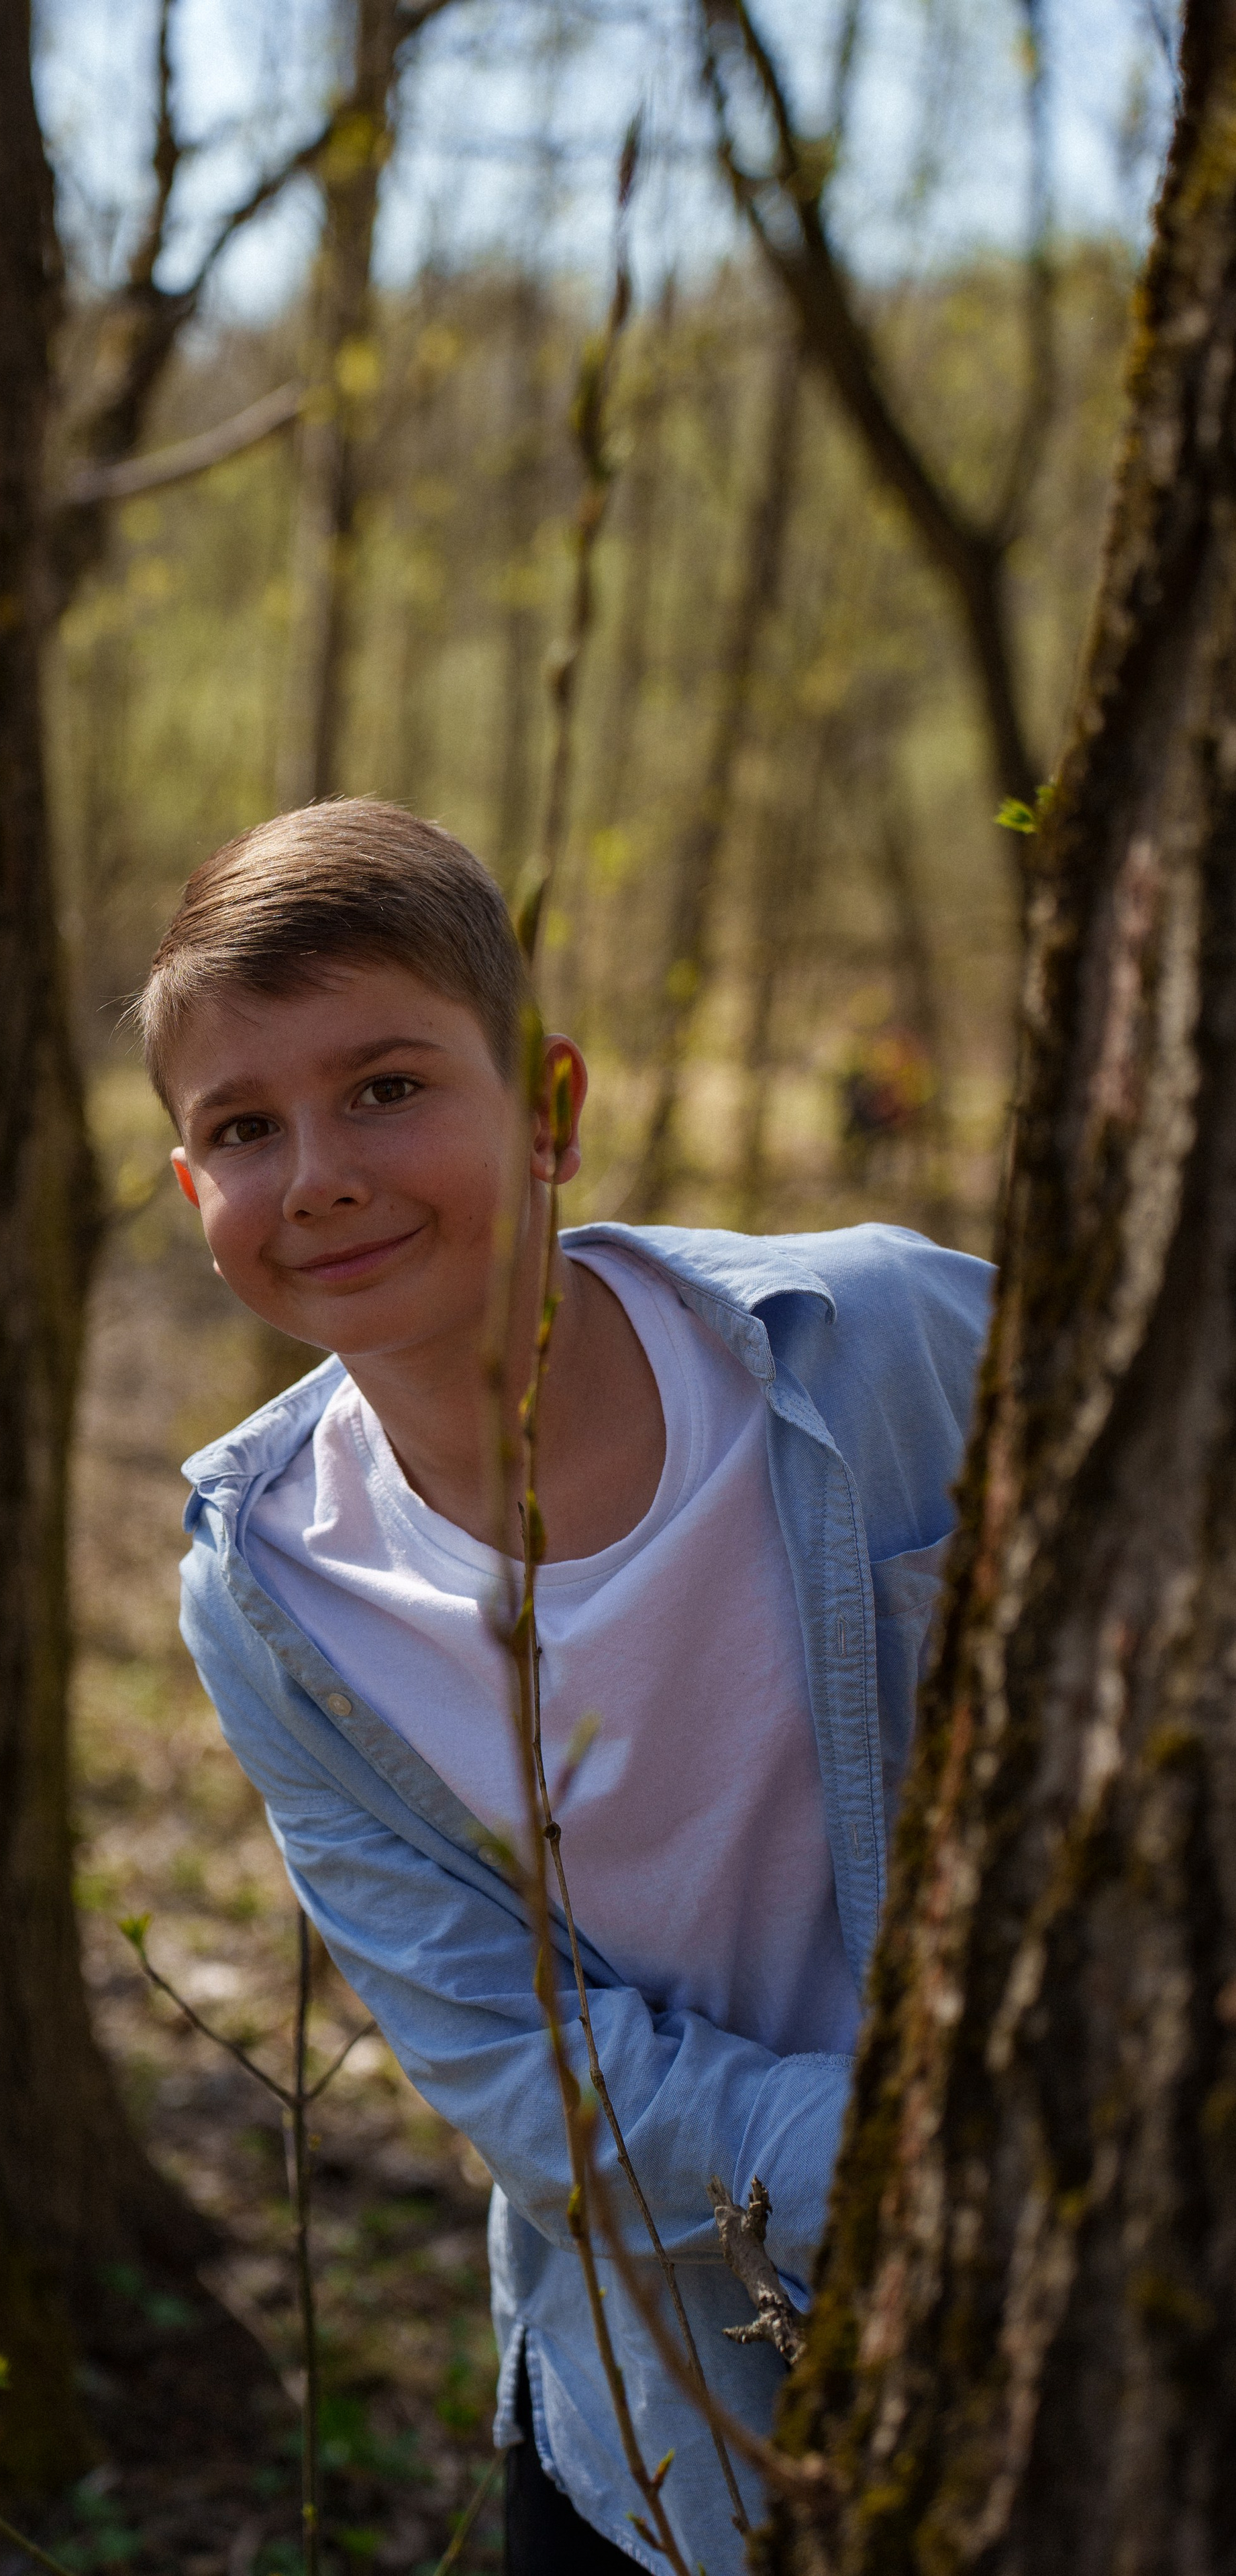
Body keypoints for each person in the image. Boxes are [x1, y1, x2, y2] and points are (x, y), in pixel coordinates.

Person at [138, 799, 992, 2573]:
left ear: (550, 1109)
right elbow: (512, 2057)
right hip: (674, 2416)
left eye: (386, 1087)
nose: (322, 1174)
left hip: (1081, 2312)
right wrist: (910, 2161)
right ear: (189, 1188)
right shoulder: (271, 1589)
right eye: (244, 1128)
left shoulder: (894, 1346)